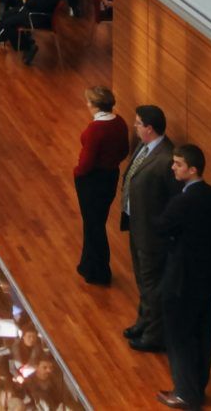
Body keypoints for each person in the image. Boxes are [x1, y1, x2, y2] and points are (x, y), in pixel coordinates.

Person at [158, 144, 211, 410]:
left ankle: (185, 392)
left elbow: (162, 228)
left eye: (178, 164)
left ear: (192, 169)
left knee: (180, 337)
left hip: (182, 281)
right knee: (203, 335)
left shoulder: (182, 202)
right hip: (207, 277)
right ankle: (197, 388)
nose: (173, 167)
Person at [120, 105, 178, 353]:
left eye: (138, 123)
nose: (135, 127)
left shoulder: (166, 159)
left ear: (149, 128)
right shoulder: (145, 148)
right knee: (143, 280)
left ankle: (155, 334)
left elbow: (172, 201)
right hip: (137, 226)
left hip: (152, 235)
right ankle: (143, 321)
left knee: (152, 284)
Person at [74, 86, 131, 286]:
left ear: (95, 105)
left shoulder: (95, 129)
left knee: (93, 225)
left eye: (89, 101)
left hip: (92, 181)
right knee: (96, 222)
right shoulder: (120, 122)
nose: (87, 104)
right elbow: (124, 150)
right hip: (109, 177)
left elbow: (86, 162)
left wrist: (78, 172)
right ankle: (88, 264)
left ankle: (99, 270)